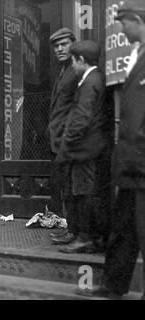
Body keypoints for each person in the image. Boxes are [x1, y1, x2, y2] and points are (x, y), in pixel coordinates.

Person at [77, 0, 145, 299]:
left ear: (138, 21)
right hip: (130, 163)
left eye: (124, 23)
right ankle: (113, 286)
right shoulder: (137, 55)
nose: (121, 28)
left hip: (142, 162)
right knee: (123, 229)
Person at [55, 40, 108, 254]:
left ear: (82, 60)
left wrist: (66, 147)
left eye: (74, 61)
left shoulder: (90, 81)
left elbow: (81, 119)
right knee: (83, 192)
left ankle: (85, 238)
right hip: (89, 149)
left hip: (85, 150)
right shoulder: (94, 79)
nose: (72, 66)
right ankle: (84, 236)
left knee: (83, 192)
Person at [47, 28, 80, 245]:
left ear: (73, 45)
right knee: (67, 188)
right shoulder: (63, 70)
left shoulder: (77, 70)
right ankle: (72, 229)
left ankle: (76, 232)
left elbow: (78, 108)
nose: (60, 49)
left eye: (64, 44)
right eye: (56, 46)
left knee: (74, 188)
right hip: (59, 140)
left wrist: (67, 136)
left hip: (69, 141)